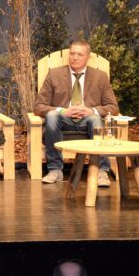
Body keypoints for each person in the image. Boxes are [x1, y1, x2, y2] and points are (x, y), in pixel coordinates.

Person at [33, 40, 119, 186]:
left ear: (88, 57)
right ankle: (55, 170)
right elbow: (38, 107)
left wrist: (91, 110)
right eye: (72, 53)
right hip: (63, 121)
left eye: (80, 54)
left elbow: (113, 108)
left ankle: (101, 171)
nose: (75, 57)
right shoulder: (54, 75)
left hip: (88, 121)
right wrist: (62, 111)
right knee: (52, 115)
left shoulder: (100, 77)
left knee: (96, 119)